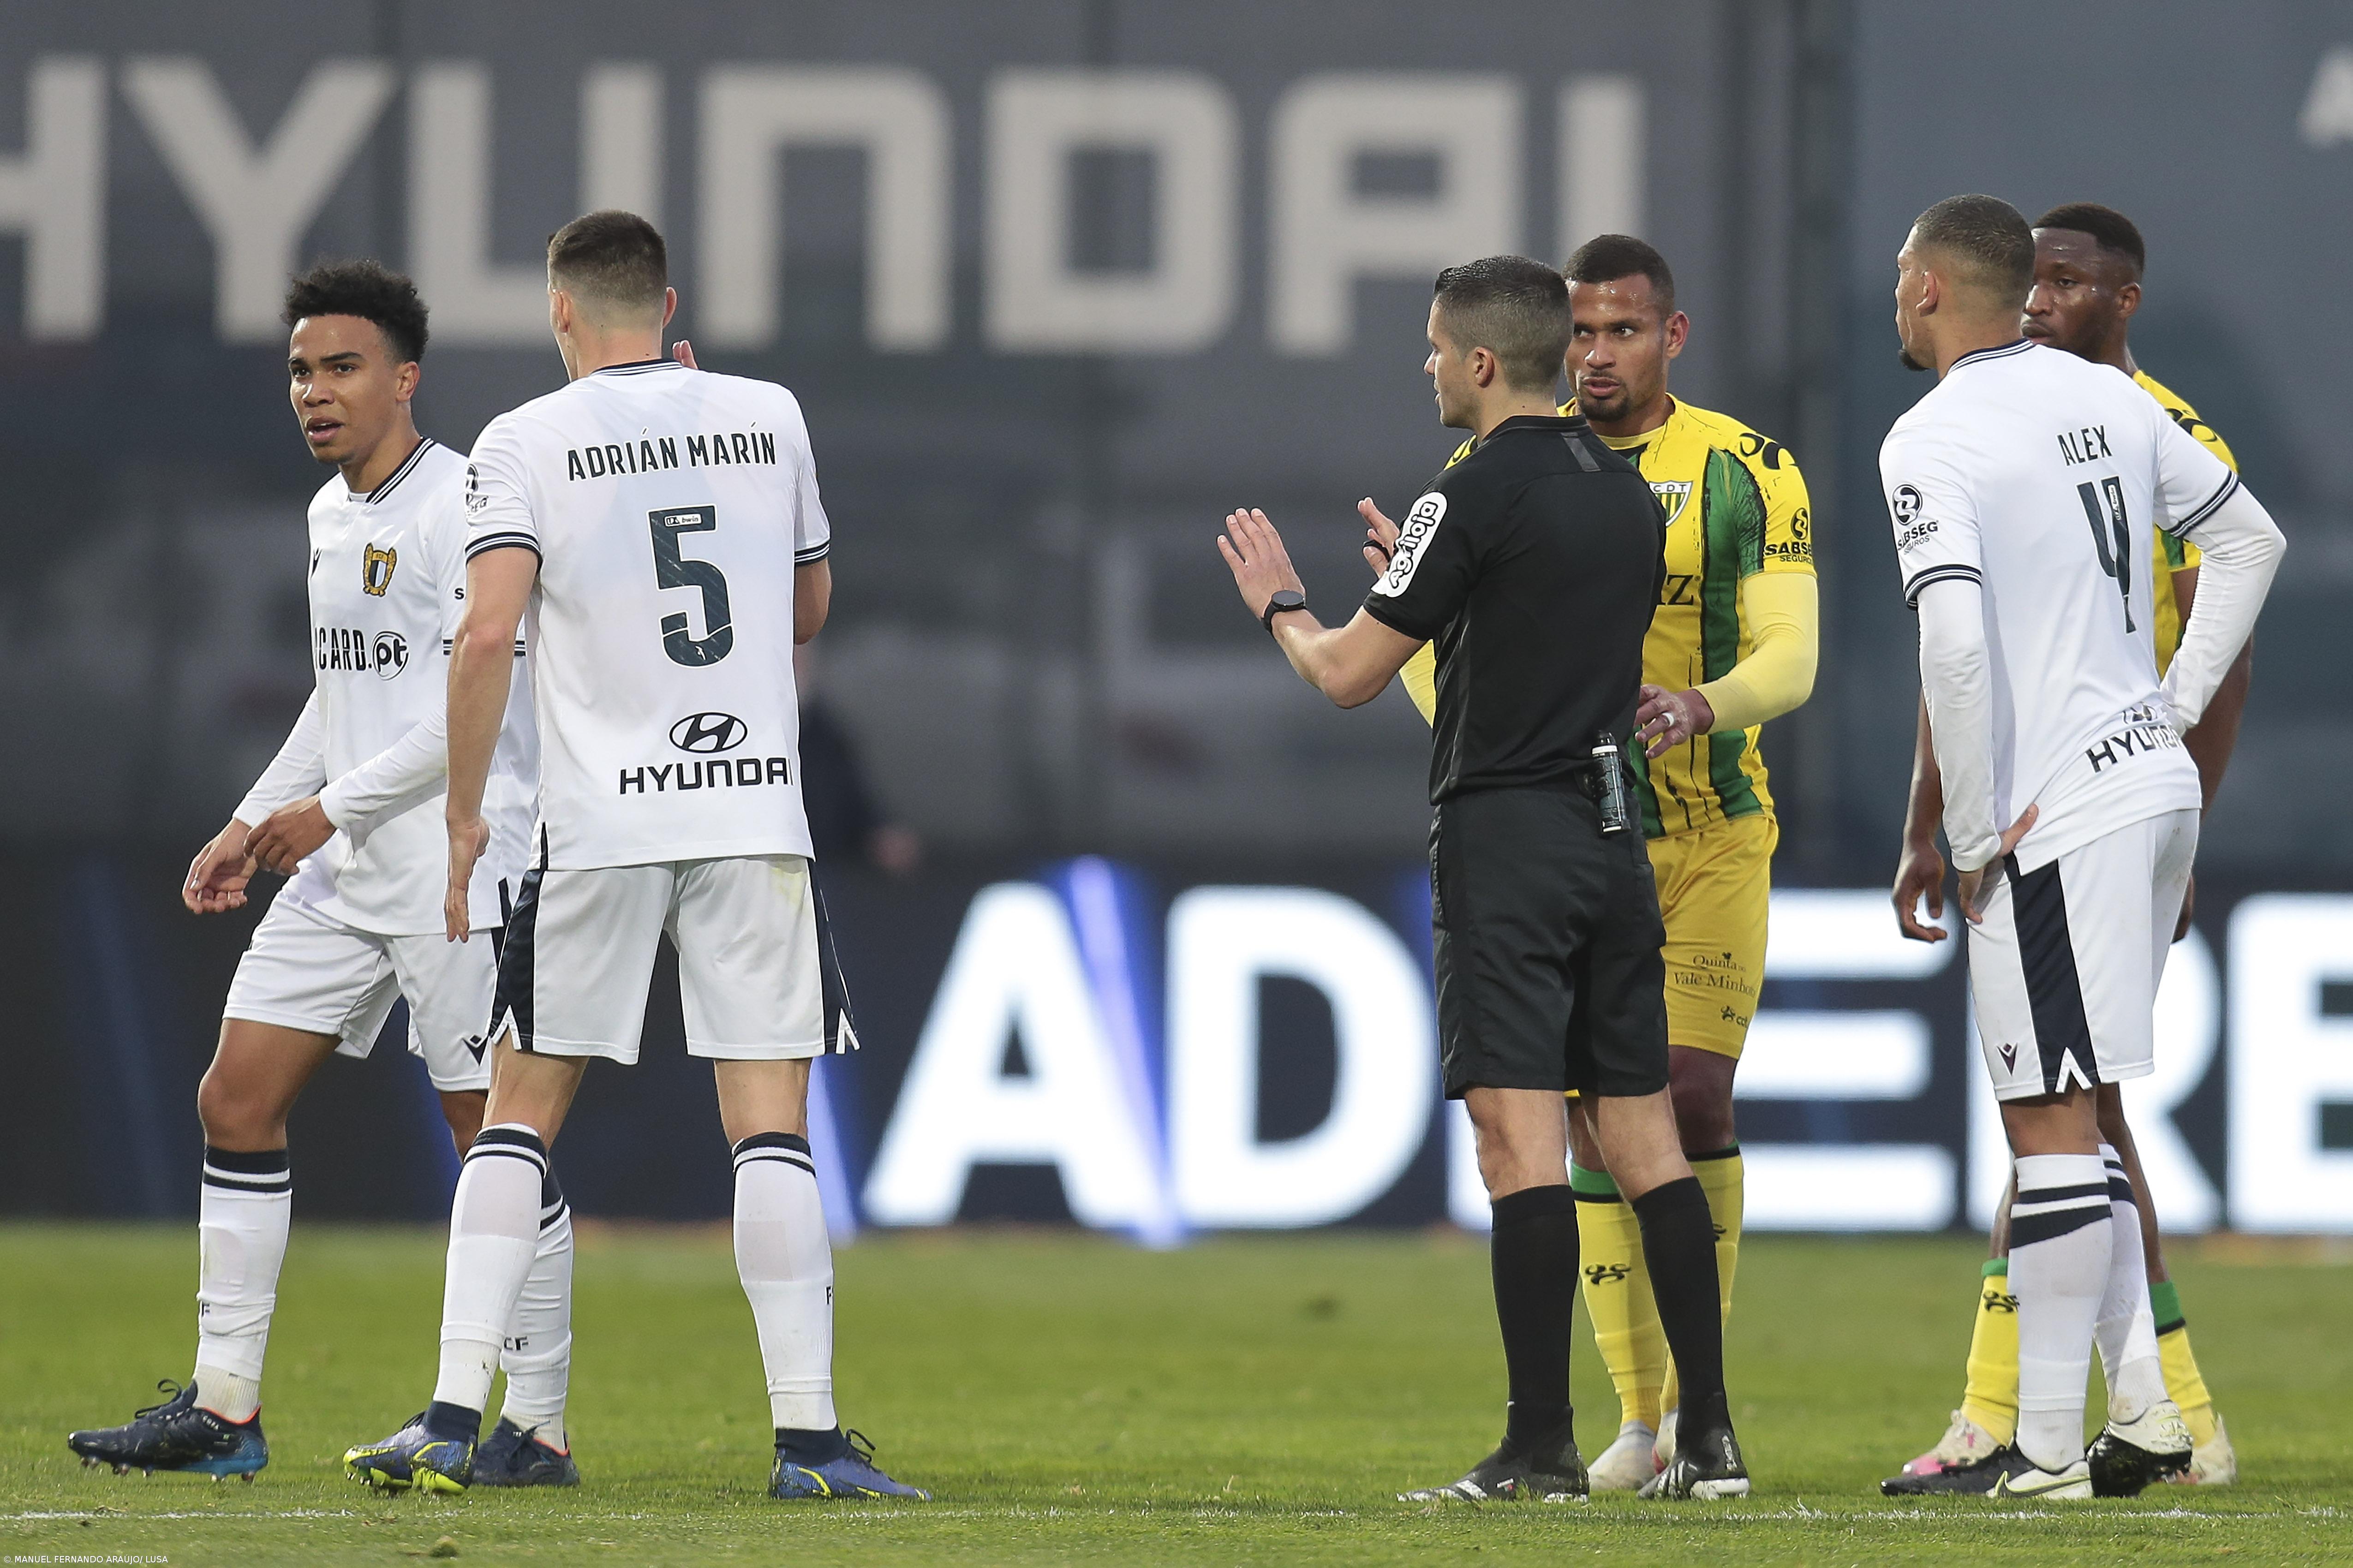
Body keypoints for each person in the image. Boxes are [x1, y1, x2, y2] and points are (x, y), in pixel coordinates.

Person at [340, 210, 922, 1502]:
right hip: (749, 812)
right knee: (770, 1128)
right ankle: (810, 1445)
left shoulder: (521, 441)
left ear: (560, 314)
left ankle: (448, 1414)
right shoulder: (766, 411)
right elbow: (808, 608)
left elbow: (486, 636)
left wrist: (463, 814)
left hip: (600, 822)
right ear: (669, 305)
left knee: (520, 1116)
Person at [1218, 255, 1749, 1502]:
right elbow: (1533, 639)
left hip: (1507, 843)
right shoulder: (1622, 494)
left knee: (1515, 1141)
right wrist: (1428, 583)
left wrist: (1282, 605)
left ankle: (1535, 1448)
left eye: (1429, 349)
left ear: (1475, 362)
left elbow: (1349, 675)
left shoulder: (1467, 498)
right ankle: (1709, 1439)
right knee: (1640, 1137)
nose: (1422, 368)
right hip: (1613, 837)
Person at [65, 262, 571, 1484]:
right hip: (346, 869)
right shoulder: (328, 514)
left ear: (405, 378)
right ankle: (226, 1410)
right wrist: (253, 818)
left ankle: (537, 1423)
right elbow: (341, 695)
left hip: (464, 857)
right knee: (235, 1097)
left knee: (487, 1137)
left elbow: (469, 698)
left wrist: (323, 810)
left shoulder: (466, 503)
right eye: (300, 369)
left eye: (341, 367)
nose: (315, 391)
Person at [1398, 235, 1817, 1488]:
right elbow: (1460, 692)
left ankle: (1685, 1414)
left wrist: (1701, 705)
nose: (1594, 355)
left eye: (1620, 332)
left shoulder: (1741, 469)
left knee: (1673, 1105)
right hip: (1594, 823)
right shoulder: (1502, 474)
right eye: (1577, 333)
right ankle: (1650, 1422)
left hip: (1705, 825)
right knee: (1609, 1127)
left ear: (1668, 338)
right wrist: (1415, 614)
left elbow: (1793, 660)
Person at [1879, 194, 2281, 1499]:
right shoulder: (2113, 402)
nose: (1896, 298)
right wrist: (2163, 710)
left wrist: (1972, 821)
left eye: (1901, 278)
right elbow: (2247, 539)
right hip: (2146, 783)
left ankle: (2048, 1442)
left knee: (2045, 1120)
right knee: (2082, 1114)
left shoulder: (1927, 438)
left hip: (2049, 807)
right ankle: (2151, 1416)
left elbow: (1949, 643)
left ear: (1933, 288)